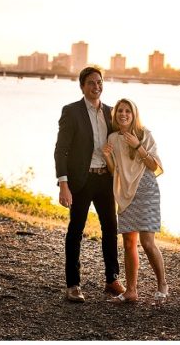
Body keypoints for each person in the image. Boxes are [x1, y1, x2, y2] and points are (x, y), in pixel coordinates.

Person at [54, 66, 124, 303]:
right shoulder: (71, 112)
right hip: (80, 181)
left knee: (110, 229)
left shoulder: (111, 112)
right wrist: (63, 184)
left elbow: (123, 144)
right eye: (92, 83)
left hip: (105, 179)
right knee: (76, 231)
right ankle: (73, 285)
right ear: (83, 86)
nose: (97, 87)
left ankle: (112, 279)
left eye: (100, 82)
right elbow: (60, 150)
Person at [102, 98, 168, 305]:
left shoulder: (144, 134)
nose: (123, 114)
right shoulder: (112, 138)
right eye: (120, 111)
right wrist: (108, 159)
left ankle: (163, 285)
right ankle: (131, 291)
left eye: (127, 111)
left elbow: (154, 165)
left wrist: (138, 145)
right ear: (116, 115)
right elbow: (116, 173)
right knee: (129, 242)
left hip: (146, 189)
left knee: (147, 242)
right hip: (125, 192)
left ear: (134, 114)